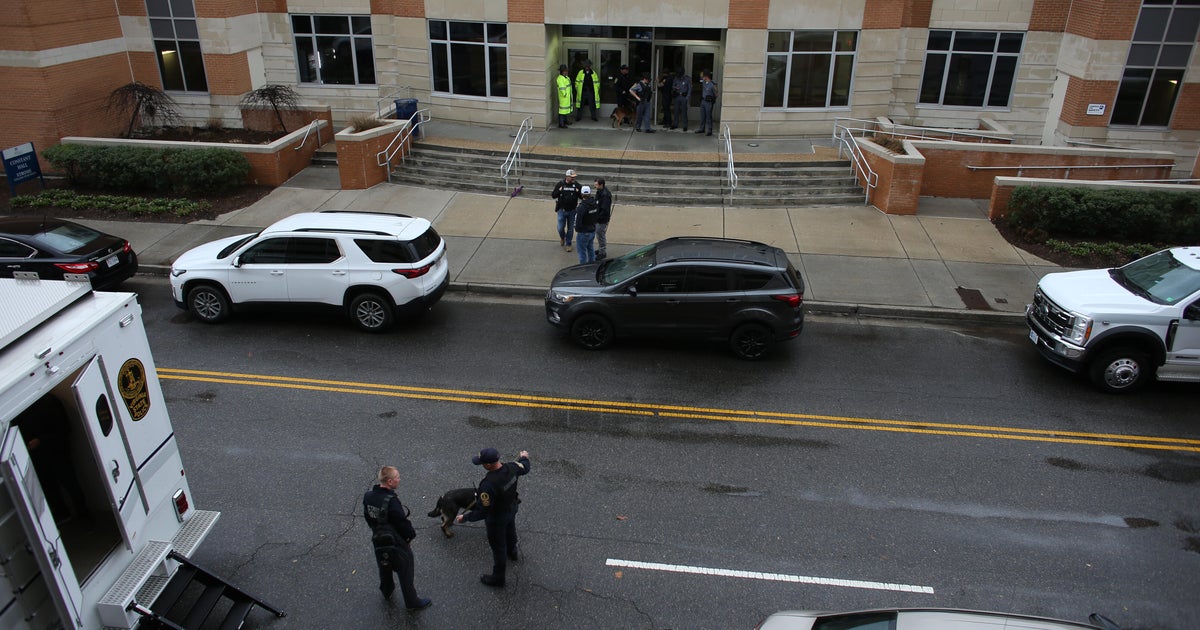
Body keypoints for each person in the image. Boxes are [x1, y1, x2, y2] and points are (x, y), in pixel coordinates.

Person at [456, 448, 531, 587]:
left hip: (497, 518)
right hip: (511, 509)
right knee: (510, 530)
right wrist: (524, 457)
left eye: (482, 463)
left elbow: (483, 511)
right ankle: (513, 551)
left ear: (489, 465)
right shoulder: (512, 467)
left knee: (498, 548)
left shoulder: (488, 485)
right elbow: (525, 468)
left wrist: (465, 518)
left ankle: (498, 578)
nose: (481, 465)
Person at [362, 466, 432, 611]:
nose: (399, 479)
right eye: (397, 477)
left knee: (384, 563)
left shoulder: (368, 496)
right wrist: (410, 536)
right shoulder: (391, 501)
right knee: (405, 569)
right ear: (389, 481)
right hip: (395, 540)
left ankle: (387, 590)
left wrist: (375, 529)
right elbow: (401, 522)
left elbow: (367, 516)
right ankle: (412, 602)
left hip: (378, 538)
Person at [551, 169, 582, 251]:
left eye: (574, 177)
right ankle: (562, 237)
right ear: (567, 177)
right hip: (562, 210)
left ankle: (568, 244)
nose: (573, 178)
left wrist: (578, 192)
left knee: (570, 228)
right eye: (571, 177)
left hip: (572, 211)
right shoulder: (560, 184)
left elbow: (583, 197)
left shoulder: (577, 185)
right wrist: (559, 190)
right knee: (560, 228)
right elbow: (553, 195)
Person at [574, 185, 599, 264]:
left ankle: (583, 268)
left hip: (583, 232)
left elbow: (578, 220)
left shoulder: (582, 207)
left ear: (581, 194)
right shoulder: (595, 203)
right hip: (592, 230)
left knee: (582, 252)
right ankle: (592, 265)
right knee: (590, 249)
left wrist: (578, 229)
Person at [593, 178, 613, 260]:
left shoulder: (605, 195)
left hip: (602, 219)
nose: (595, 186)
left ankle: (602, 252)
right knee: (599, 234)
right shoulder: (599, 192)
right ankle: (601, 249)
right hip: (598, 217)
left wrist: (597, 218)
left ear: (601, 185)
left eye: (596, 185)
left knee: (600, 234)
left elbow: (604, 209)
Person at [697, 70, 719, 136]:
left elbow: (716, 94)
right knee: (702, 116)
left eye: (703, 76)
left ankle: (709, 130)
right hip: (703, 101)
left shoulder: (713, 84)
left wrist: (712, 99)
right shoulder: (704, 82)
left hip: (708, 102)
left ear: (706, 76)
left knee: (708, 117)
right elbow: (700, 76)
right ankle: (702, 129)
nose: (702, 77)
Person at [555, 64, 573, 128]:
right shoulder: (560, 79)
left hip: (566, 97)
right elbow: (562, 88)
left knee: (565, 110)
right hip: (563, 97)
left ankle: (565, 121)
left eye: (566, 71)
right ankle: (561, 124)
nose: (566, 72)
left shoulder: (566, 77)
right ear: (562, 71)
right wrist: (564, 94)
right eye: (565, 71)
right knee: (562, 111)